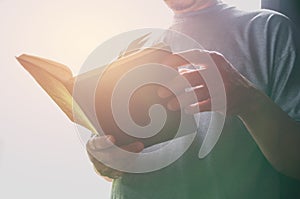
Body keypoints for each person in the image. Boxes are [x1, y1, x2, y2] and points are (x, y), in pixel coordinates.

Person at [86, 0, 300, 198]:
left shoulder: (267, 28)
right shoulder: (134, 49)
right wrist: (105, 160)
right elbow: (113, 166)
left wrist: (248, 101)